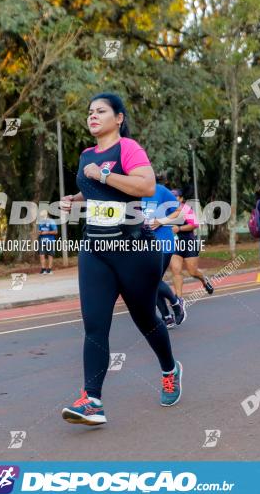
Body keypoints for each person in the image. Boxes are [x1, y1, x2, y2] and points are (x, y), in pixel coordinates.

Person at [59, 92, 181, 426]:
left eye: (101, 111)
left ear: (119, 118)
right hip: (95, 249)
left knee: (146, 319)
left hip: (133, 248)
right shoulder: (86, 155)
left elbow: (145, 185)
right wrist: (76, 198)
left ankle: (170, 369)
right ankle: (92, 400)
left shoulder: (128, 148)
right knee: (95, 326)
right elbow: (97, 192)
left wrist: (105, 176)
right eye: (89, 111)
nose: (93, 115)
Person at [143, 173, 185, 327]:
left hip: (163, 242)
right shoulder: (133, 193)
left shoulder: (160, 191)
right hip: (143, 245)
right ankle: (167, 316)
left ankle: (175, 304)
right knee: (150, 283)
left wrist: (161, 221)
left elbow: (178, 211)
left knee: (151, 281)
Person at [169, 189, 214, 299]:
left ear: (181, 198)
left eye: (176, 196)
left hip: (189, 242)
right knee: (176, 270)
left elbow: (194, 224)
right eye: (171, 196)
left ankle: (204, 279)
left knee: (192, 271)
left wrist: (178, 229)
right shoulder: (166, 210)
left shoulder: (186, 209)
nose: (173, 198)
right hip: (174, 244)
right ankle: (179, 298)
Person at [37, 210, 58, 275]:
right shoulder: (40, 222)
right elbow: (39, 231)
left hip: (50, 241)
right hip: (42, 240)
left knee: (50, 255)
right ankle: (43, 269)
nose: (42, 218)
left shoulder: (51, 222)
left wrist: (47, 232)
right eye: (41, 217)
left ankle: (49, 269)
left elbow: (56, 232)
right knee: (41, 255)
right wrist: (39, 233)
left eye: (43, 216)